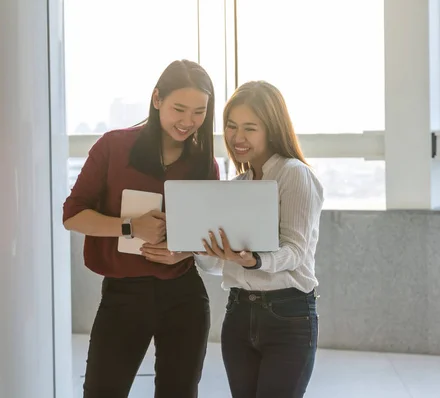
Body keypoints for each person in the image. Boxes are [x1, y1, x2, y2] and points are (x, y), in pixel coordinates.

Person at [63, 60, 218, 398]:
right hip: (123, 295)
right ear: (157, 98)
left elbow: (207, 237)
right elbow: (73, 215)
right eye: (179, 108)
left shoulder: (204, 163)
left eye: (199, 112)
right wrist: (131, 226)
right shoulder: (113, 147)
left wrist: (183, 249)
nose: (188, 122)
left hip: (184, 296)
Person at [196, 80, 324, 398]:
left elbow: (295, 250)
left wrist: (255, 260)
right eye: (231, 126)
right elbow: (216, 265)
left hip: (288, 315)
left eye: (250, 128)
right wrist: (199, 248)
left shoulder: (294, 174)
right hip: (238, 313)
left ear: (271, 128)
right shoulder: (237, 184)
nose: (238, 138)